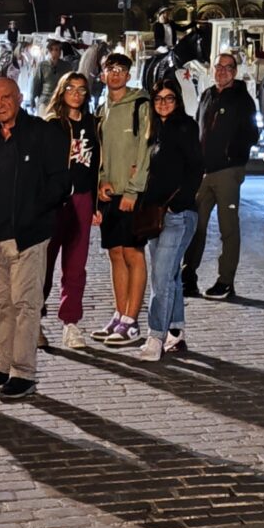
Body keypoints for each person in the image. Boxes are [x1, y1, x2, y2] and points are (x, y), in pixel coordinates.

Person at [0, 77, 69, 399]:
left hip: (27, 238)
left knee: (26, 305)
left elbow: (60, 185)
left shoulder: (42, 132)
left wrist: (32, 212)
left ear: (20, 97)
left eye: (6, 97)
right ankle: (3, 366)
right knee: (3, 305)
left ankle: (24, 373)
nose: (0, 104)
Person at [183, 52, 256, 300]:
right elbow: (198, 128)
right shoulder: (207, 95)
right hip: (204, 172)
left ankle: (225, 281)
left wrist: (232, 155)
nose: (222, 71)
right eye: (219, 67)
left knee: (228, 229)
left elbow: (251, 133)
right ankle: (188, 276)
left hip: (226, 171)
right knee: (195, 227)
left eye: (228, 67)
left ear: (235, 72)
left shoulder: (242, 100)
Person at [139, 79, 203, 360]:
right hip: (155, 214)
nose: (164, 103)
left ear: (177, 101)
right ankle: (176, 333)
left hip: (178, 214)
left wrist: (178, 203)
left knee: (161, 277)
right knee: (171, 276)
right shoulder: (153, 130)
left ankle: (156, 335)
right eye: (159, 99)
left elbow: (196, 168)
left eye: (169, 98)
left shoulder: (185, 127)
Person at [93, 52, 153, 348]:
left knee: (133, 253)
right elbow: (101, 148)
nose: (115, 74)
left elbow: (145, 150)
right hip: (109, 192)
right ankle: (119, 314)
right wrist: (101, 180)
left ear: (129, 75)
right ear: (103, 74)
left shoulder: (141, 105)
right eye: (110, 69)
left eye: (121, 70)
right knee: (115, 252)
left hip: (132, 194)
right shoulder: (102, 108)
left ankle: (131, 321)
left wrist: (133, 190)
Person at [41, 71, 102, 348]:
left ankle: (70, 323)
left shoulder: (93, 123)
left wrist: (97, 205)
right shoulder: (51, 124)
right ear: (61, 91)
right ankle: (35, 321)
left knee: (76, 266)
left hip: (83, 199)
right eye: (71, 88)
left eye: (81, 89)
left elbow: (98, 164)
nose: (76, 94)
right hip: (55, 202)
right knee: (43, 264)